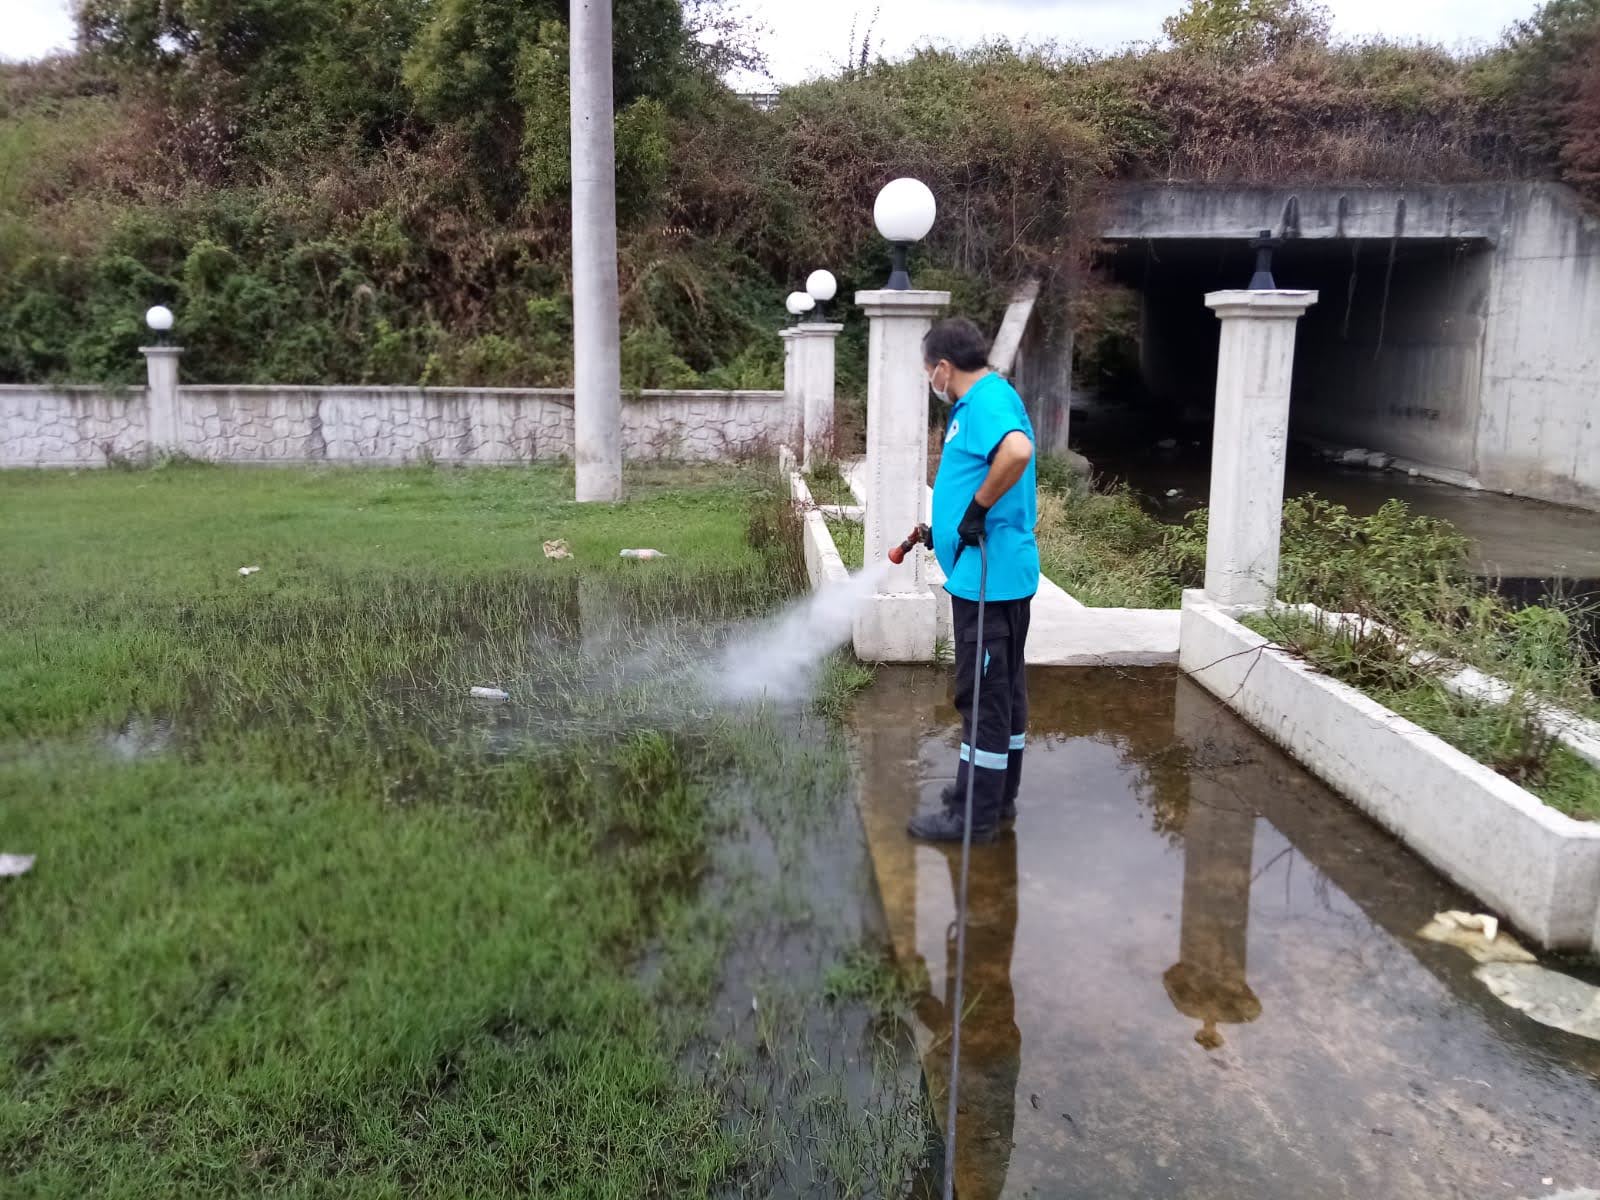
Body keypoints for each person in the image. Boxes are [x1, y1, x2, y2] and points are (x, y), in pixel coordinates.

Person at [909, 317, 1039, 844]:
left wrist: (976, 510)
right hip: (997, 573)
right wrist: (940, 527)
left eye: (928, 373)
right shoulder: (989, 398)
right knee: (1002, 695)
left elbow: (1016, 453)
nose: (930, 382)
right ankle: (991, 797)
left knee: (982, 698)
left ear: (943, 367)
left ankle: (973, 819)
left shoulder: (985, 401)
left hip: (989, 579)